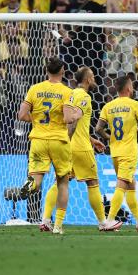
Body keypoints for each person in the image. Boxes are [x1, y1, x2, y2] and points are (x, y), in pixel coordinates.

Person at [18, 58, 81, 235]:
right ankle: (58, 226)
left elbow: (22, 115)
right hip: (59, 141)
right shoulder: (67, 92)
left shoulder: (34, 89)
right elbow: (68, 119)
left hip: (38, 140)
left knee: (37, 183)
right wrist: (77, 115)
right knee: (62, 183)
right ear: (62, 70)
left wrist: (37, 121)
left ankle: (29, 186)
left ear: (46, 70)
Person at [41, 67, 108, 231]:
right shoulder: (84, 96)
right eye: (92, 76)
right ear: (87, 79)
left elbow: (74, 124)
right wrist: (71, 141)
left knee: (60, 183)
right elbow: (74, 120)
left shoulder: (70, 94)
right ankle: (103, 223)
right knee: (92, 182)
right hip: (80, 148)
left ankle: (45, 219)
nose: (94, 79)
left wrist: (92, 140)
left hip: (69, 144)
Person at [95, 76, 138, 231]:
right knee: (121, 185)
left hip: (115, 152)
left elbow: (98, 129)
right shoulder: (134, 105)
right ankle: (109, 220)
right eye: (131, 86)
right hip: (129, 153)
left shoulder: (108, 106)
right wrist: (133, 130)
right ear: (128, 89)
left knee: (131, 185)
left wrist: (108, 137)